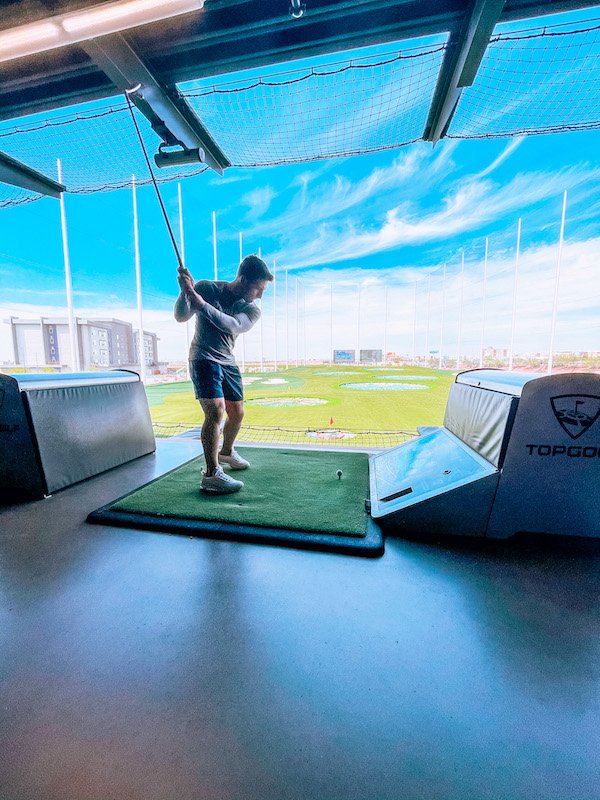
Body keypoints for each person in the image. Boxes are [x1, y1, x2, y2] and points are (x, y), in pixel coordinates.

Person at [174, 255, 273, 494]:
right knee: (216, 411)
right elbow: (181, 316)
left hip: (228, 361)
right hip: (203, 357)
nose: (260, 295)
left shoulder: (251, 309)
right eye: (258, 289)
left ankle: (226, 452)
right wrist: (185, 292)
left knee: (237, 413)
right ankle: (211, 474)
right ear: (243, 279)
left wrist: (202, 305)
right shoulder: (207, 288)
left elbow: (233, 325)